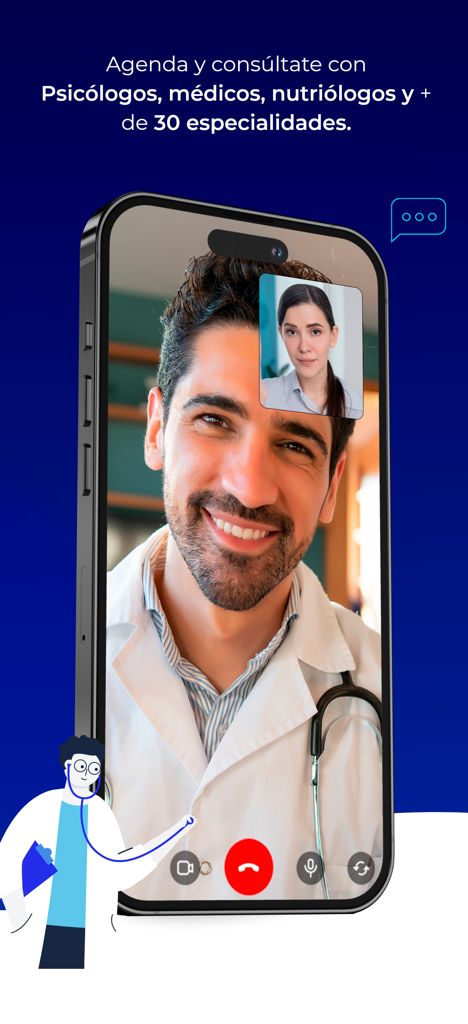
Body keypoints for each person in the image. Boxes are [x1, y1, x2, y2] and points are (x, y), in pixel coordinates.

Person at [106, 253, 382, 904]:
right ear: (157, 429)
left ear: (331, 486)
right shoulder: (29, 661)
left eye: (295, 444)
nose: (250, 487)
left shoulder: (401, 699)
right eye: (215, 420)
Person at [0, 735, 195, 968]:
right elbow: (6, 858)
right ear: (67, 767)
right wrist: (18, 920)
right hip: (42, 929)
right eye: (80, 766)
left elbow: (121, 872)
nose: (86, 774)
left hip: (90, 934)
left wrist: (175, 832)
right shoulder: (42, 807)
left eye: (93, 768)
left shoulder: (102, 815)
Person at [261, 283, 363, 418]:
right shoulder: (265, 395)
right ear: (281, 335)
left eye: (315, 331)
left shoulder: (354, 405)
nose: (303, 347)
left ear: (333, 336)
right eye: (292, 332)